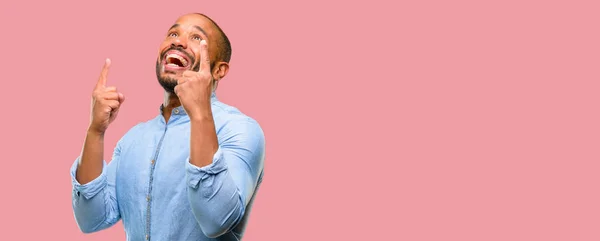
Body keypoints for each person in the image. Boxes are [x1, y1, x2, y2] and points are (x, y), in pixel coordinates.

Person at [70, 13, 266, 241]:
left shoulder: (240, 129)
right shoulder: (132, 140)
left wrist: (200, 112)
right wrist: (95, 131)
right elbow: (91, 218)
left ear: (218, 70)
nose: (178, 41)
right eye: (173, 33)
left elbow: (216, 220)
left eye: (196, 38)